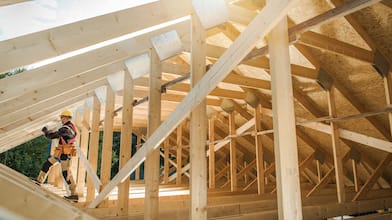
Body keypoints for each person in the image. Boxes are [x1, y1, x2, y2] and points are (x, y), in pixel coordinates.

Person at [36, 110, 79, 201]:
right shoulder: (71, 127)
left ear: (65, 117)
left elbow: (52, 136)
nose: (60, 119)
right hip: (60, 152)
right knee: (47, 163)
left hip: (65, 154)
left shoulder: (66, 129)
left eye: (61, 117)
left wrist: (45, 131)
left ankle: (74, 194)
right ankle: (39, 181)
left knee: (66, 174)